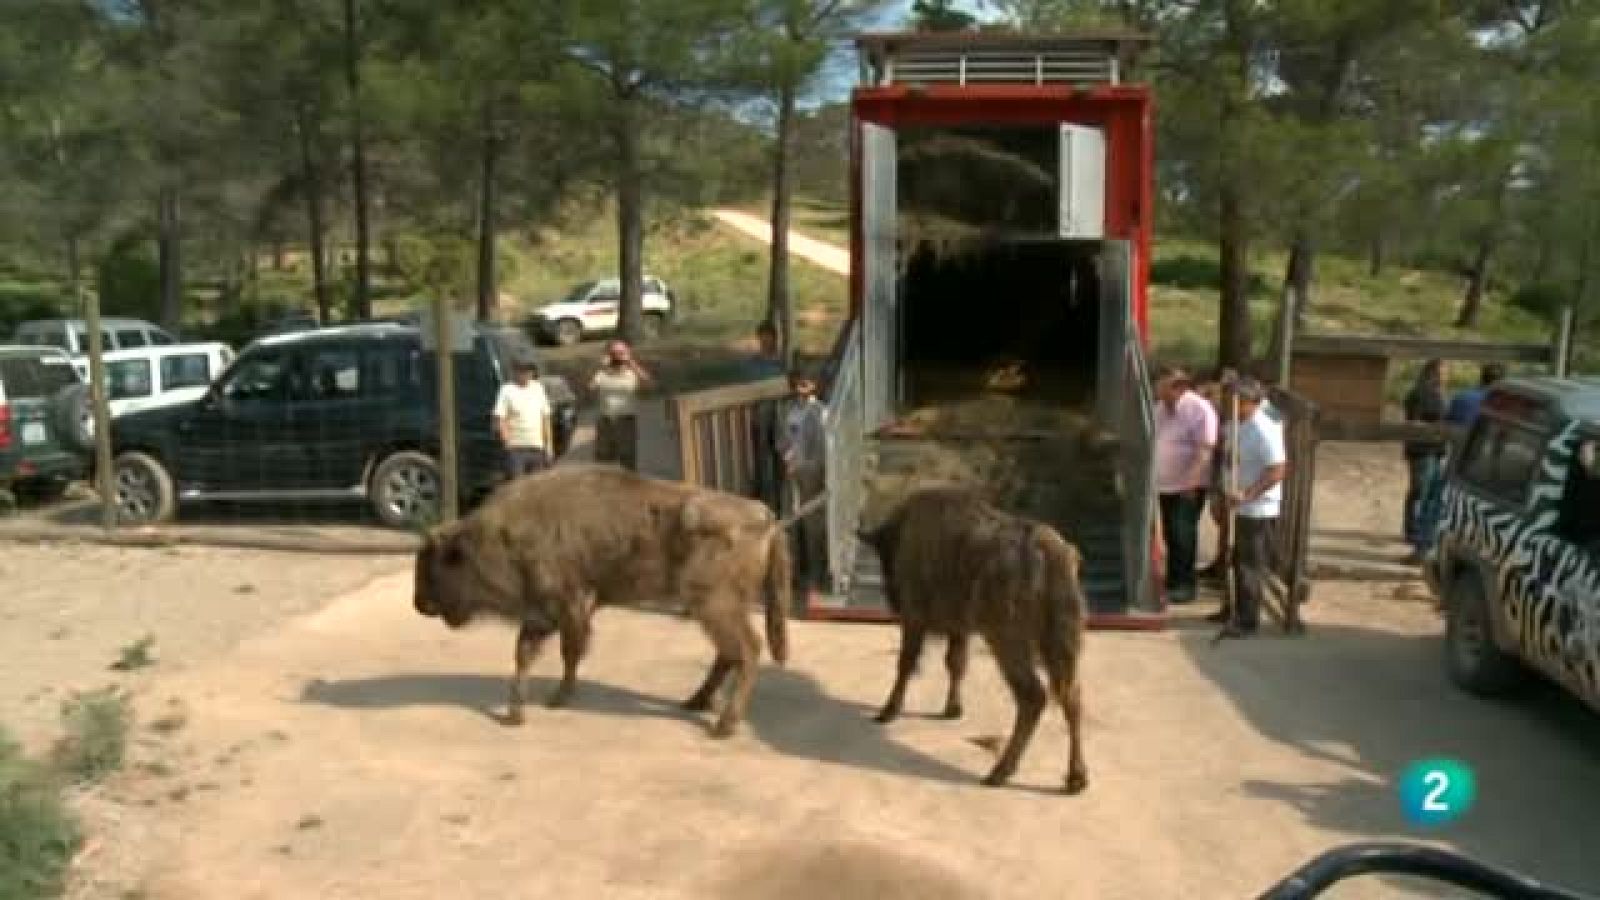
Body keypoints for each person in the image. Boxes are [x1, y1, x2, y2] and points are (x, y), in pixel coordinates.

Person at [1209, 377, 1287, 637]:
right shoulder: (1233, 424)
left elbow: (1277, 470)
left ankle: (1247, 619)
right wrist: (1220, 495)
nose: (1225, 404)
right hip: (1234, 500)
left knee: (1249, 564)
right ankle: (1230, 606)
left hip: (1257, 508)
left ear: (1249, 403)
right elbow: (1226, 461)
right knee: (1232, 558)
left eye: (1233, 400)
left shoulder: (1264, 429)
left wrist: (1248, 494)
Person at [1153, 364, 1218, 604]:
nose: (1158, 393)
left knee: (1183, 534)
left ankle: (1185, 585)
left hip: (1187, 485)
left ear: (1178, 388)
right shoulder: (1161, 408)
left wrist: (1191, 481)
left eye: (1162, 389)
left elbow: (1205, 449)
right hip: (1166, 484)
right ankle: (1174, 580)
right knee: (1172, 534)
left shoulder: (1199, 409)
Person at [777, 366, 829, 597]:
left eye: (806, 383)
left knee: (813, 526)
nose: (801, 387)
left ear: (814, 385)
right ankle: (794, 574)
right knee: (791, 522)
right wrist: (786, 456)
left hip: (811, 473)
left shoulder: (821, 412)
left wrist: (807, 466)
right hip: (791, 473)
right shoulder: (787, 410)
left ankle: (816, 575)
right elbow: (782, 441)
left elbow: (822, 449)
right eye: (798, 382)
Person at [1402, 360, 1448, 565]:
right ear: (1431, 373)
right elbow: (1413, 421)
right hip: (1422, 449)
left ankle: (1419, 530)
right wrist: (1435, 428)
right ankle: (1412, 530)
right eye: (1442, 372)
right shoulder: (1418, 394)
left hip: (1436, 449)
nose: (1445, 376)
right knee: (1419, 490)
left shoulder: (1441, 395)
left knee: (1430, 494)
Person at [590, 339, 652, 472]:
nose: (618, 356)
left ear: (628, 353)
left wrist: (631, 363)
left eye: (621, 352)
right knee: (603, 462)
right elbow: (590, 388)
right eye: (614, 353)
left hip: (625, 420)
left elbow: (649, 384)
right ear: (608, 354)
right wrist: (602, 367)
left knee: (627, 461)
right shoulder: (602, 373)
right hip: (605, 421)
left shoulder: (632, 373)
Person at [747, 321, 787, 512]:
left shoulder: (781, 362)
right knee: (760, 458)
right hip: (761, 414)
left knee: (779, 455)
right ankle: (759, 496)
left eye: (770, 338)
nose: (767, 342)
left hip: (778, 414)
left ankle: (779, 497)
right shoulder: (753, 364)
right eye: (763, 338)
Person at [492, 359, 554, 480]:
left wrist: (549, 446)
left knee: (538, 488)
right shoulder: (506, 390)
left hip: (537, 448)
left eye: (529, 371)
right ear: (515, 371)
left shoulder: (538, 388)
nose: (526, 374)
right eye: (522, 371)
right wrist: (507, 443)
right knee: (517, 488)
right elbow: (500, 418)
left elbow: (545, 418)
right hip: (516, 449)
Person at [1444, 362, 1507, 428]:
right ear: (1500, 382)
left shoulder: (1460, 395)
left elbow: (1446, 423)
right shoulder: (1495, 405)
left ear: (1482, 377)